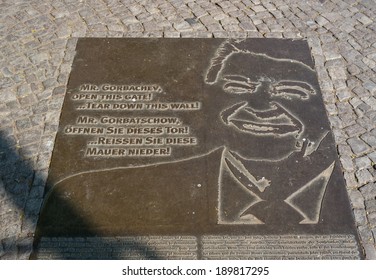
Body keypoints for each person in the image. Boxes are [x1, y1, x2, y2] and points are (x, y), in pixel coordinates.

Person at [37, 39, 343, 236]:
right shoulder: (78, 196)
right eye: (238, 87)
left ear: (322, 119)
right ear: (210, 98)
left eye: (293, 93)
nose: (260, 105)